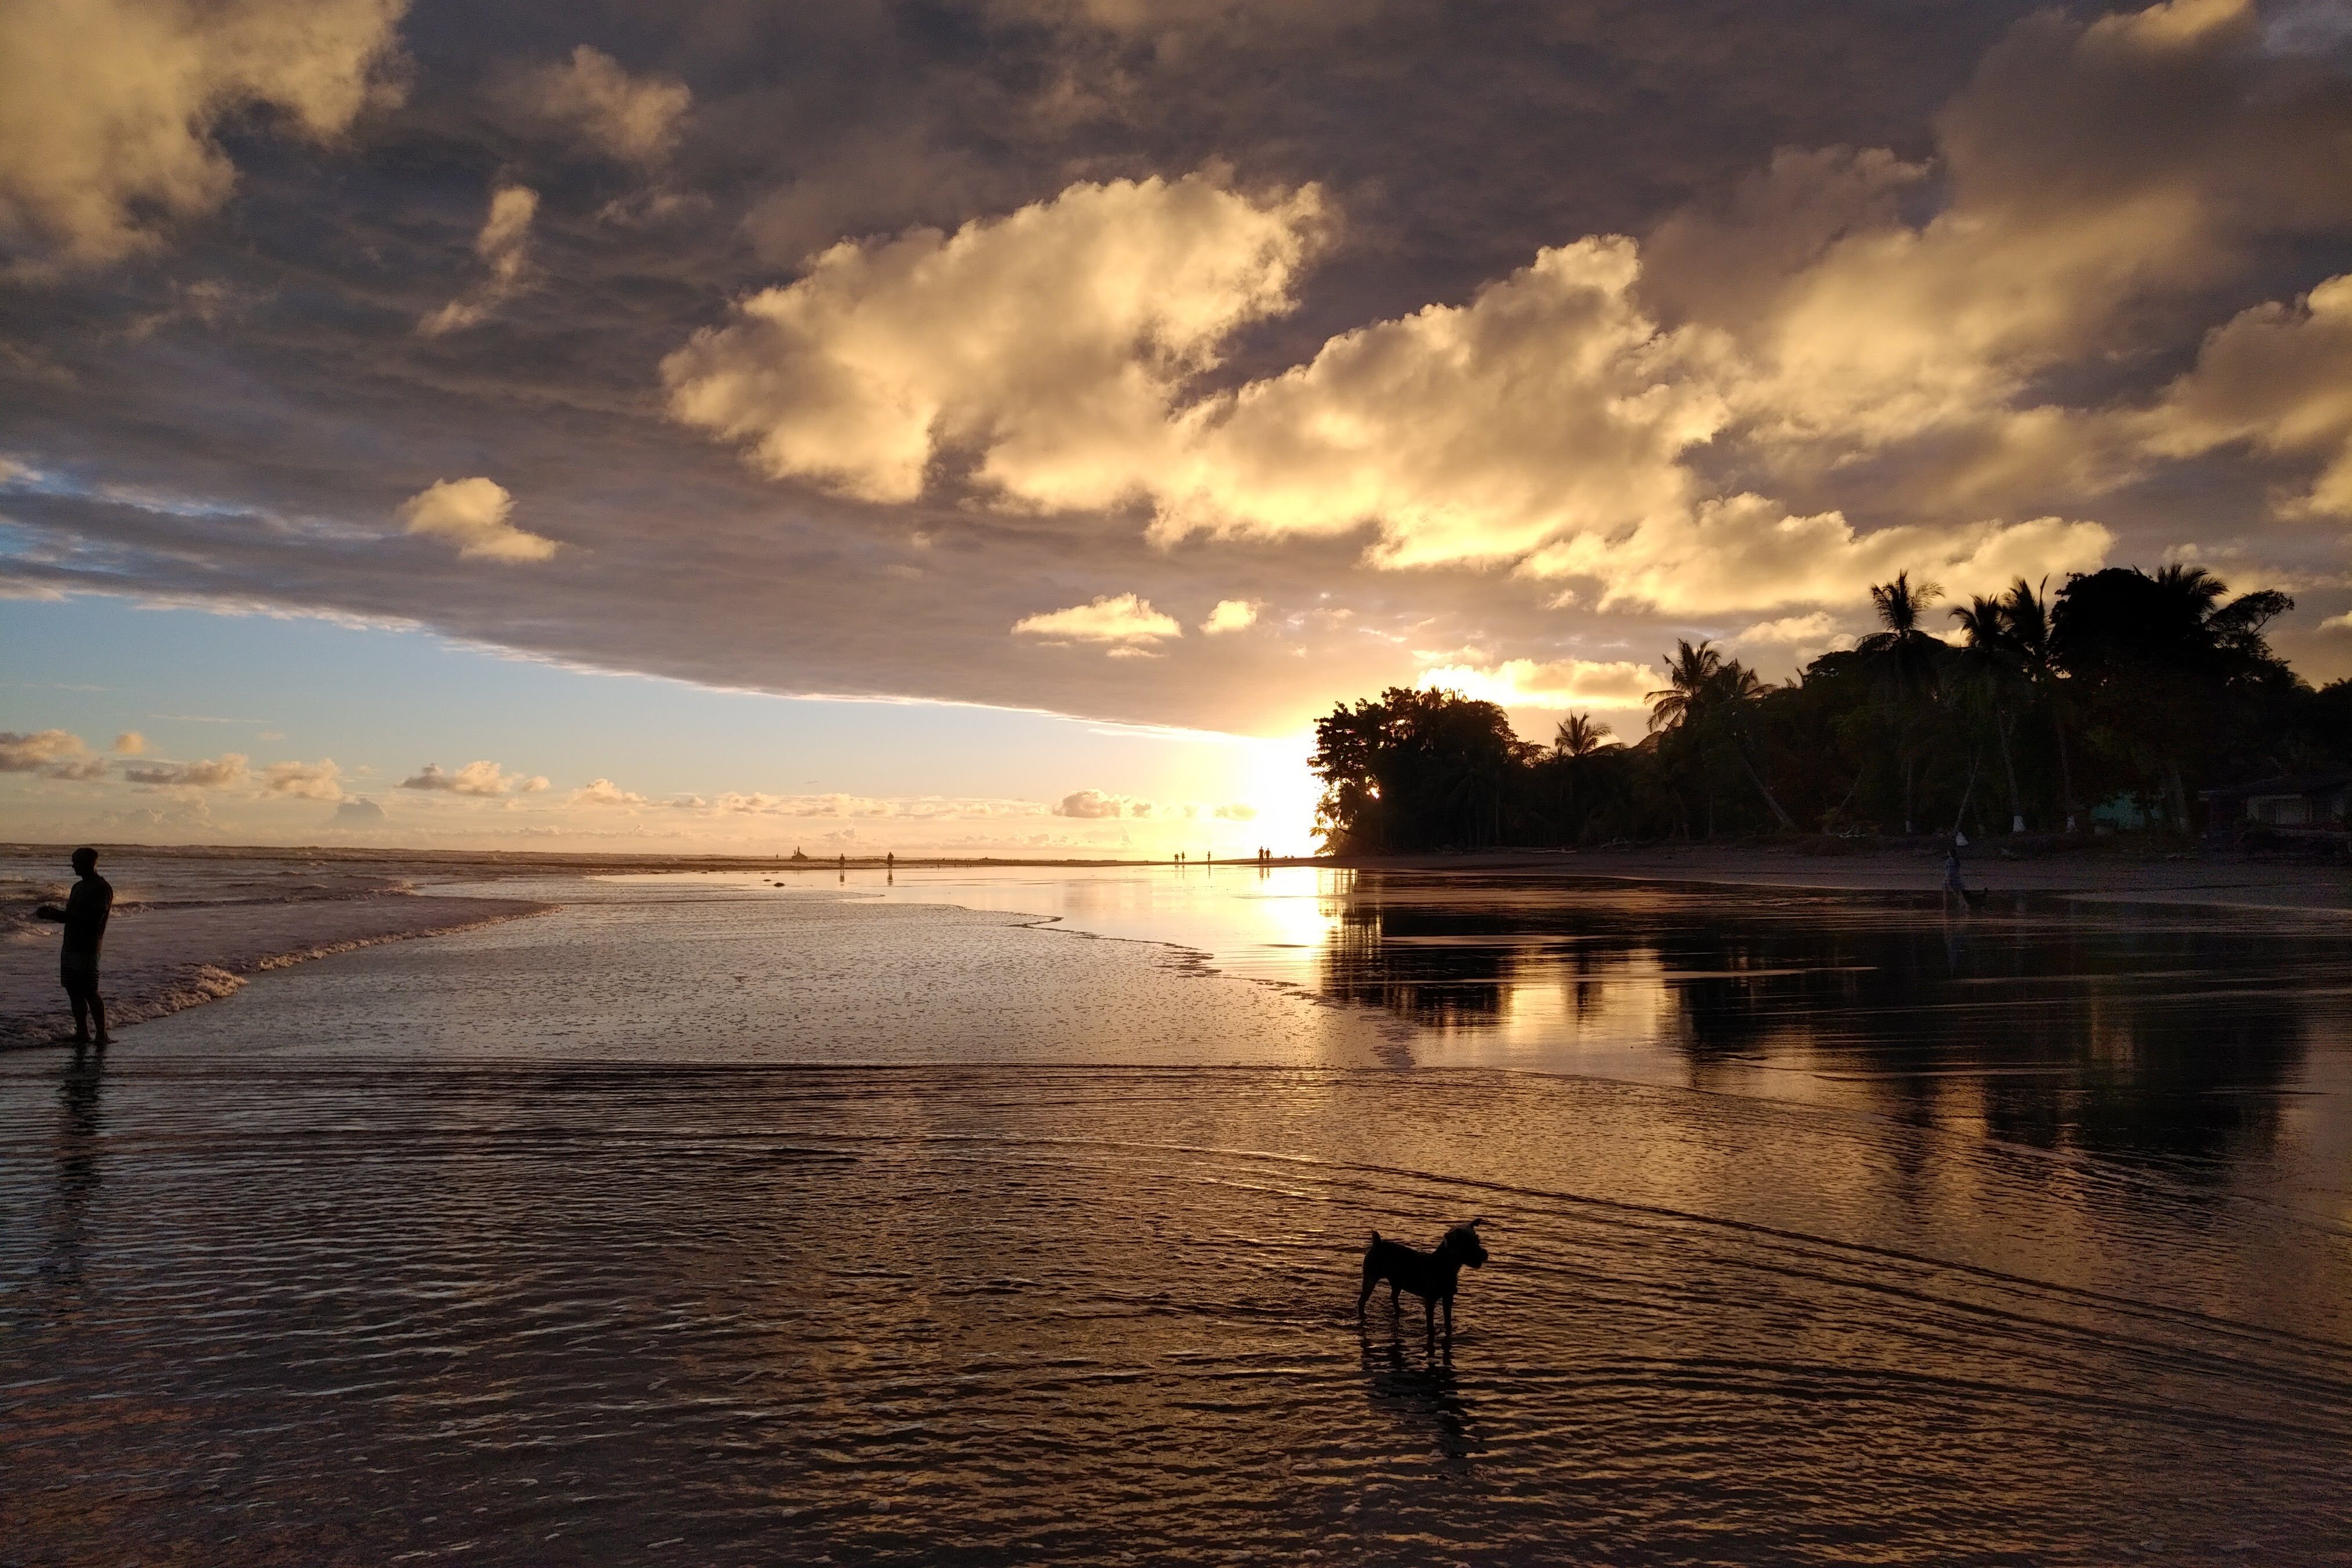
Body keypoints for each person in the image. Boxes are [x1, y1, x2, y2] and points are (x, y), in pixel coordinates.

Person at [35, 848, 113, 1046]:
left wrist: (63, 915)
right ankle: (82, 1032)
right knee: (73, 990)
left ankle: (102, 1034)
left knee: (89, 990)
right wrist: (52, 914)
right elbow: (71, 918)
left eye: (77, 862)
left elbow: (94, 919)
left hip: (88, 947)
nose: (73, 866)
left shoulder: (101, 888)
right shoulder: (77, 887)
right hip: (70, 945)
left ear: (90, 863)